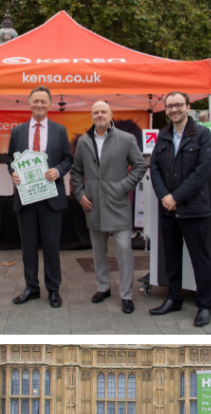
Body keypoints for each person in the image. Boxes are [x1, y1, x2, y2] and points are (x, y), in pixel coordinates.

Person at [71, 100, 147, 314]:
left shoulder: (126, 139)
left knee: (123, 249)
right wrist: (80, 193)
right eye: (95, 112)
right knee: (99, 251)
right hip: (93, 204)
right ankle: (103, 288)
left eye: (103, 111)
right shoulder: (84, 141)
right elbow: (76, 171)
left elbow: (140, 165)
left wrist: (124, 186)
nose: (99, 115)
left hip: (118, 203)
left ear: (111, 114)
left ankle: (126, 295)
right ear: (92, 116)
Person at [149, 90, 211, 327]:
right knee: (172, 258)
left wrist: (176, 197)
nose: (173, 109)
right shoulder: (163, 135)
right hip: (168, 209)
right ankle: (173, 298)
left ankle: (204, 306)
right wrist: (164, 196)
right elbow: (154, 167)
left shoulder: (202, 134)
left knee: (200, 260)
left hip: (193, 209)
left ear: (188, 107)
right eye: (169, 106)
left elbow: (203, 171)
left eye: (178, 105)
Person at [9, 86, 73, 308]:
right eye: (35, 100)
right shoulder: (17, 131)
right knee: (28, 248)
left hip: (50, 199)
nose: (39, 105)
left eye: (43, 101)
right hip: (25, 199)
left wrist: (58, 170)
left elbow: (68, 158)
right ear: (29, 103)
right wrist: (13, 174)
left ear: (49, 104)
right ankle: (31, 288)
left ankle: (53, 289)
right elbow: (11, 160)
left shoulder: (60, 130)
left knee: (51, 247)